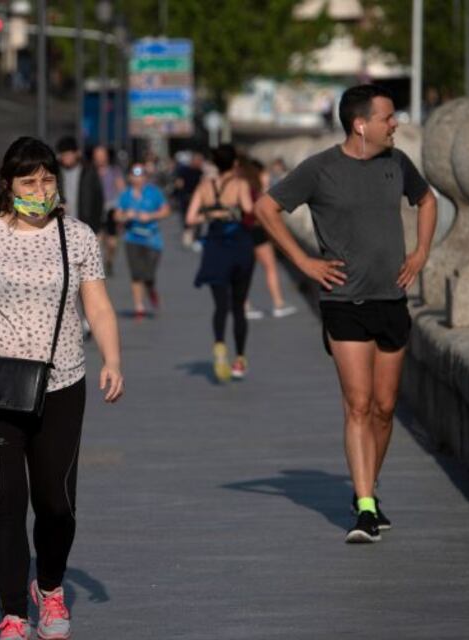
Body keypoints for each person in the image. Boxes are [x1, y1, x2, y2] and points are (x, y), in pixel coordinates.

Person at [0, 136, 124, 640]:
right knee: (5, 498)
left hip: (61, 381)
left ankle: (52, 585)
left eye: (47, 180)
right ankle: (14, 611)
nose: (40, 190)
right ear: (7, 185)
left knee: (57, 502)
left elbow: (98, 306)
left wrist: (113, 359)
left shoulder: (76, 235)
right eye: (29, 181)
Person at [254, 84, 437, 544]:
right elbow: (266, 207)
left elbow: (427, 200)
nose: (395, 124)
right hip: (344, 304)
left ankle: (366, 489)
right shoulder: (321, 169)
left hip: (391, 301)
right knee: (358, 405)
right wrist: (304, 262)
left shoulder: (396, 164)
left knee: (384, 407)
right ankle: (367, 508)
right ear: (361, 124)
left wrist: (421, 253)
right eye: (388, 117)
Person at [185, 144, 256, 382]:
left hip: (215, 247)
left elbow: (190, 218)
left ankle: (219, 345)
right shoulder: (240, 185)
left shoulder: (205, 187)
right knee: (238, 306)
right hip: (239, 246)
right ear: (235, 163)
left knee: (220, 305)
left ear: (215, 164)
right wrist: (230, 211)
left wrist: (211, 214)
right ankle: (240, 359)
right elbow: (248, 210)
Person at [239, 157, 296, 320]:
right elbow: (264, 207)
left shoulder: (240, 185)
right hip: (257, 230)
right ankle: (278, 303)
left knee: (244, 271)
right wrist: (265, 185)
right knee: (270, 267)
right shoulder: (257, 188)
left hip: (242, 231)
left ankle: (244, 305)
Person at [116, 161, 170, 318]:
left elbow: (166, 211)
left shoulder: (154, 192)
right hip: (132, 238)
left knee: (148, 275)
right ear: (130, 177)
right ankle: (139, 307)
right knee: (136, 275)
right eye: (134, 175)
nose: (138, 179)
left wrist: (151, 216)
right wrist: (126, 216)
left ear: (145, 177)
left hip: (153, 240)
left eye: (141, 175)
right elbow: (117, 215)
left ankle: (151, 287)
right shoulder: (125, 194)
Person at [55, 135, 104, 234]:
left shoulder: (89, 171)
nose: (66, 158)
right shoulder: (56, 173)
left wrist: (97, 227)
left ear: (77, 153)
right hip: (62, 224)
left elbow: (98, 198)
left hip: (85, 224)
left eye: (69, 154)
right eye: (63, 155)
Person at [92, 144, 125, 276]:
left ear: (106, 156)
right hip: (96, 209)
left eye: (102, 155)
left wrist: (121, 209)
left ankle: (109, 260)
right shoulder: (90, 171)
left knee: (112, 243)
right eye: (97, 156)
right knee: (97, 240)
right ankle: (96, 268)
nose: (100, 158)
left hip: (112, 207)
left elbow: (121, 189)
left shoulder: (114, 171)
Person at [173, 150, 205, 250]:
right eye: (198, 160)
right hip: (187, 197)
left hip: (197, 198)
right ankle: (189, 236)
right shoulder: (184, 170)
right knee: (188, 218)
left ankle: (195, 237)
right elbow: (179, 183)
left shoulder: (201, 172)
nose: (200, 162)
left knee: (197, 218)